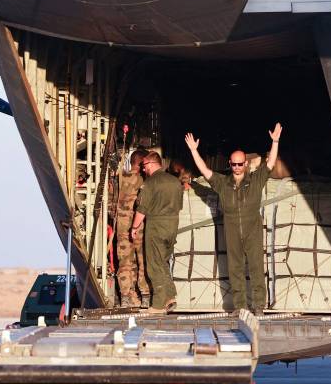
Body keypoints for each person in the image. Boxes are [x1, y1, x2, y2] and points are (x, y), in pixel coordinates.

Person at [185, 123, 282, 313]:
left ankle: (259, 305)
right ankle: (240, 306)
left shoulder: (256, 180)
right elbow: (205, 171)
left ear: (245, 164)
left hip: (252, 230)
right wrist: (194, 151)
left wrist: (275, 141)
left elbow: (270, 163)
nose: (237, 167)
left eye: (240, 164)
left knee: (256, 267)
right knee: (234, 268)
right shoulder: (223, 183)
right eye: (234, 164)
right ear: (230, 164)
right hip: (231, 231)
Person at [131, 152, 183, 313]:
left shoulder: (151, 182)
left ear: (152, 164)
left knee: (154, 265)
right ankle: (170, 296)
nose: (143, 170)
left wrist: (134, 227)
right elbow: (179, 206)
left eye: (144, 166)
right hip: (172, 225)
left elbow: (142, 209)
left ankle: (158, 304)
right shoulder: (175, 182)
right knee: (163, 262)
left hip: (156, 226)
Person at [115, 149, 150, 308]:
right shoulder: (145, 180)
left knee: (125, 263)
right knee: (143, 261)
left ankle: (126, 298)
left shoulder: (119, 179)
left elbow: (110, 203)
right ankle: (145, 296)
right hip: (141, 225)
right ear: (142, 163)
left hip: (122, 227)